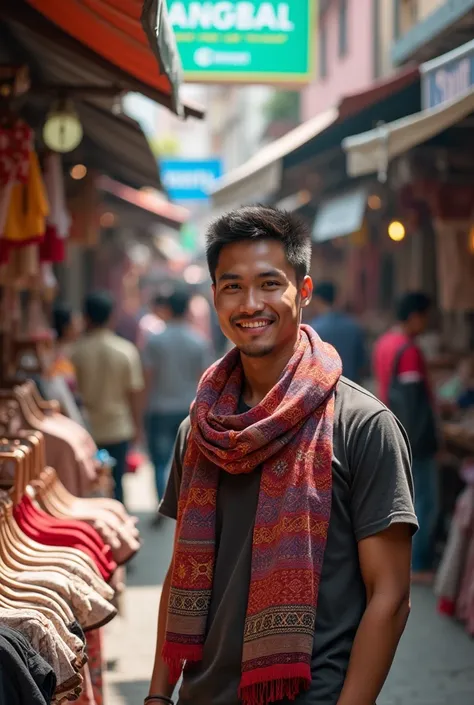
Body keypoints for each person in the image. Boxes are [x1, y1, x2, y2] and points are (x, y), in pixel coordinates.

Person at [147, 206, 417, 705]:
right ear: (214, 298)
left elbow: (392, 596)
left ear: (304, 291)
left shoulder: (361, 425)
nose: (251, 303)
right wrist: (158, 694)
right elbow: (180, 571)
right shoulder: (200, 430)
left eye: (270, 283)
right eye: (232, 287)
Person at [373, 292, 438, 583]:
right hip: (414, 436)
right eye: (425, 317)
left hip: (393, 429)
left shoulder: (385, 342)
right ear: (414, 316)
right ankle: (420, 563)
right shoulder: (409, 350)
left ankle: (404, 560)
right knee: (425, 499)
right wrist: (430, 442)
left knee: (405, 499)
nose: (425, 323)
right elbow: (414, 404)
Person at [142, 284, 212, 521]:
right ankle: (184, 507)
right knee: (186, 461)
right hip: (188, 409)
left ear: (168, 309)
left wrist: (143, 408)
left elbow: (148, 378)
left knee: (160, 462)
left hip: (160, 408)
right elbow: (205, 380)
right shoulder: (198, 341)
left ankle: (163, 506)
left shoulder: (155, 341)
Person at [72, 291, 144, 504]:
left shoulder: (75, 352)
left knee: (87, 486)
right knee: (117, 483)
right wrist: (137, 427)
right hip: (118, 427)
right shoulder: (126, 351)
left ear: (86, 317)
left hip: (85, 429)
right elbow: (135, 393)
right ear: (111, 316)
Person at [310, 281, 367, 384]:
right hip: (351, 388)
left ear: (317, 300)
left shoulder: (313, 329)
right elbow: (362, 365)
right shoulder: (353, 327)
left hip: (323, 389)